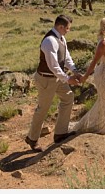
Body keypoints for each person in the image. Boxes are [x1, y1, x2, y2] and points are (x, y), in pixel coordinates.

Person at [25, 14, 80, 150]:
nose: (68, 30)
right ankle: (32, 138)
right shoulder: (50, 41)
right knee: (43, 109)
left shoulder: (62, 39)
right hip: (46, 79)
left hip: (57, 78)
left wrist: (74, 70)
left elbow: (66, 57)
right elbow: (53, 66)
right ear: (60, 26)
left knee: (68, 98)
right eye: (67, 28)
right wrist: (68, 79)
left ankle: (60, 134)